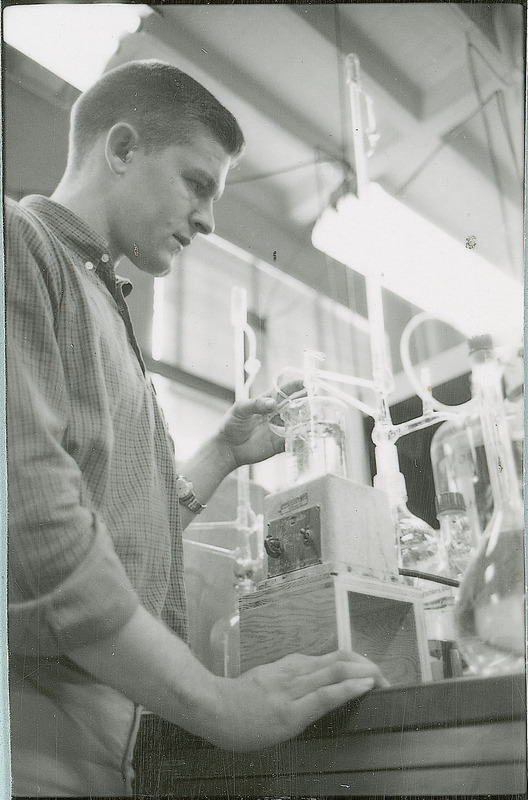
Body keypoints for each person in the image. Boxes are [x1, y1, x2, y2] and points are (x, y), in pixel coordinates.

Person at [6, 59, 386, 797]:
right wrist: (216, 703)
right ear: (122, 149)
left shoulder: (101, 298)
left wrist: (220, 454)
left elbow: (116, 523)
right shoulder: (23, 245)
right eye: (197, 183)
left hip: (116, 721)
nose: (209, 219)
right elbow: (37, 528)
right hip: (41, 723)